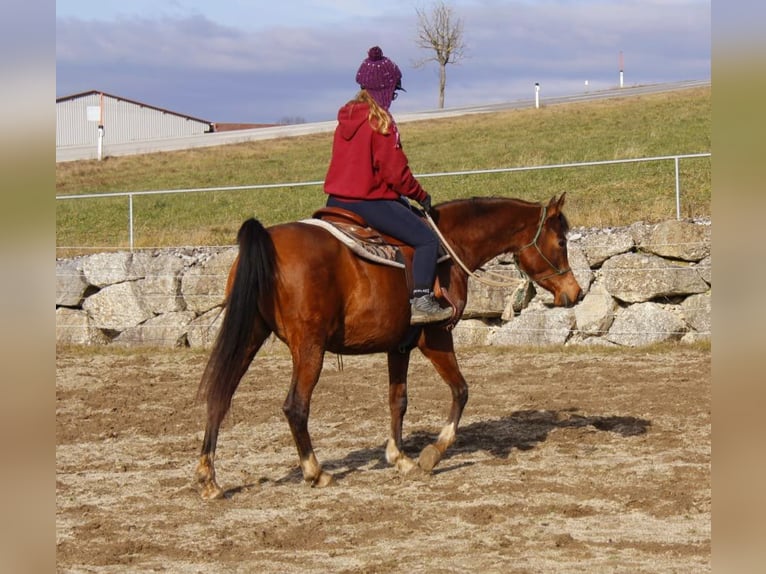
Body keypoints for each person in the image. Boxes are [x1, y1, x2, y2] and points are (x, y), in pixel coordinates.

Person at [323, 46, 452, 325]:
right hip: (368, 203)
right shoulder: (381, 122)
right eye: (393, 91)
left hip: (334, 202)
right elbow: (395, 173)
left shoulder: (345, 119)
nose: (393, 97)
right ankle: (421, 300)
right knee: (427, 240)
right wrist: (421, 195)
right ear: (385, 88)